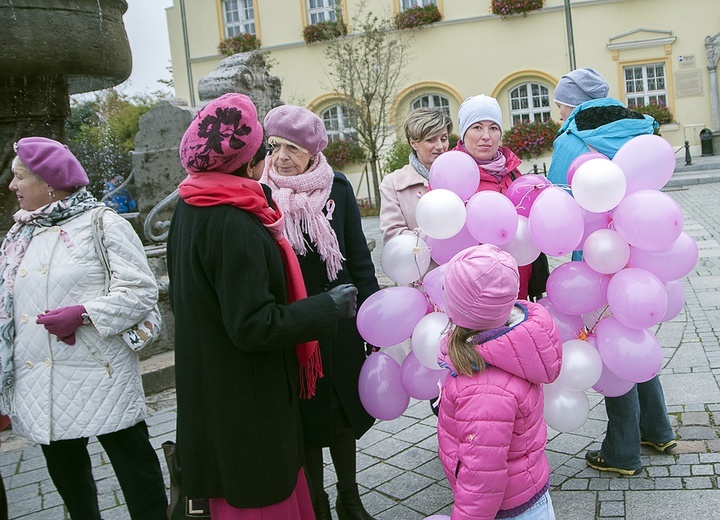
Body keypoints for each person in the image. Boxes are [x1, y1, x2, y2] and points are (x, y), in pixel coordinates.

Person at [168, 93, 358, 519]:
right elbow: (254, 325)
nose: (274, 158)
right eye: (267, 150)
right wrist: (326, 307)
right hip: (247, 403)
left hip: (216, 390)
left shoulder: (190, 203)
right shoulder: (233, 221)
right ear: (249, 163)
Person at [0, 137, 167, 518]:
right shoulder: (20, 234)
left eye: (19, 177)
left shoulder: (102, 223)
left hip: (100, 372)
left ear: (49, 182)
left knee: (135, 471)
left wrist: (85, 313)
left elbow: (142, 291)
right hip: (41, 380)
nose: (11, 186)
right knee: (71, 485)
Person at [546, 68, 676, 475]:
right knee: (633, 332)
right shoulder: (640, 130)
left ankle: (622, 450)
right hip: (644, 253)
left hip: (596, 258)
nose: (558, 111)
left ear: (573, 102)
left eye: (560, 103)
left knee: (612, 344)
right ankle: (656, 429)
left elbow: (556, 196)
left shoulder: (573, 139)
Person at [261, 105, 380, 520]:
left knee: (340, 414)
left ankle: (350, 498)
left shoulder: (338, 187)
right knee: (305, 423)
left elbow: (358, 258)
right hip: (293, 322)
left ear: (313, 151)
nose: (281, 157)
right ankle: (317, 507)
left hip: (339, 320)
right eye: (274, 146)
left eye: (292, 148)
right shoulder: (259, 194)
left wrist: (373, 322)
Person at [436, 244, 562, 520]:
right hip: (529, 495)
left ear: (459, 306)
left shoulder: (483, 388)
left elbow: (482, 477)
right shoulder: (511, 344)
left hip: (506, 510)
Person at [453, 94, 547, 301]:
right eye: (477, 127)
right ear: (464, 133)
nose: (486, 136)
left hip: (519, 284)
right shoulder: (451, 174)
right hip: (474, 290)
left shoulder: (513, 172)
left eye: (493, 128)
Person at [547, 67, 656, 185]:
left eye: (560, 106)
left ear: (573, 104)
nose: (560, 116)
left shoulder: (567, 142)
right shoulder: (638, 133)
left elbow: (560, 191)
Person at [379, 107, 453, 244]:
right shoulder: (393, 183)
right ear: (413, 143)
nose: (440, 146)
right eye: (431, 140)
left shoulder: (459, 177)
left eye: (444, 139)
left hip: (460, 263)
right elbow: (392, 235)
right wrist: (437, 236)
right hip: (422, 264)